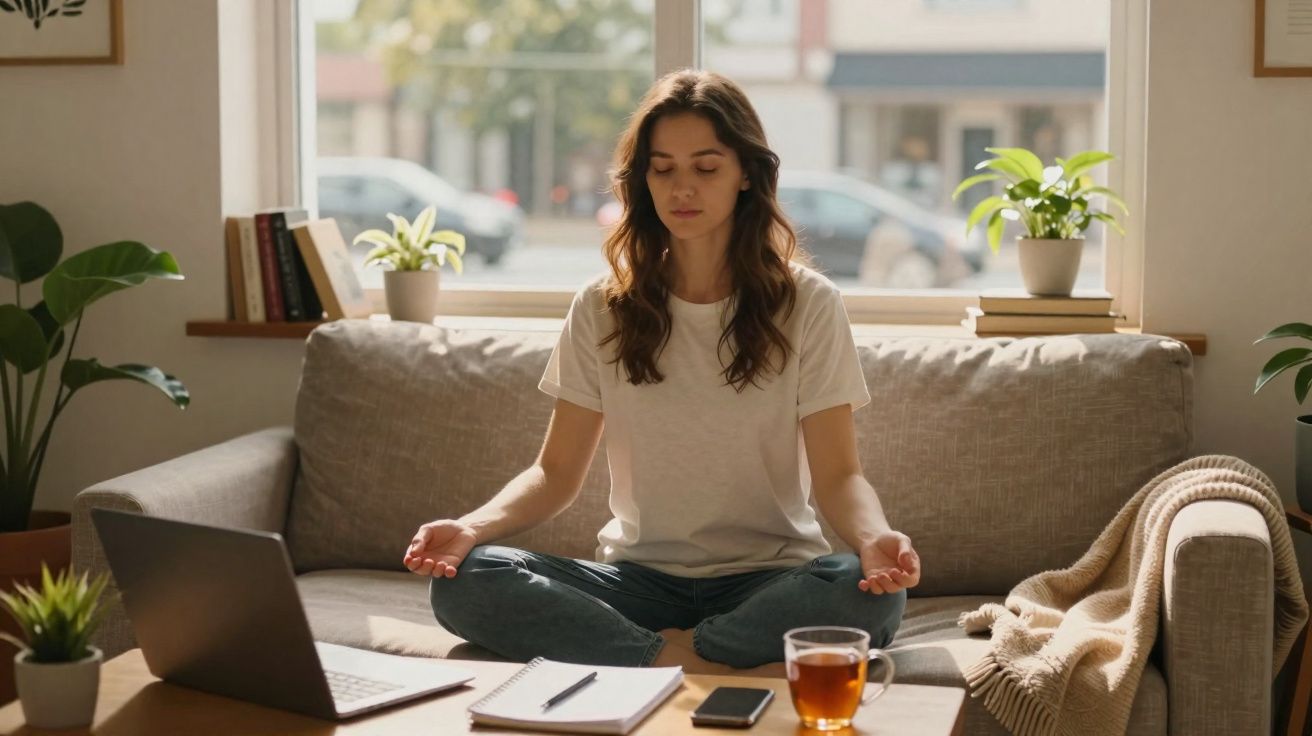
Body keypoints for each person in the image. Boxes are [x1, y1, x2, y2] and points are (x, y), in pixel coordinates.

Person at [403, 69, 921, 674]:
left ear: (746, 174)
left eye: (706, 167)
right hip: (636, 585)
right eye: (662, 167)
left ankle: (657, 660)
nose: (683, 188)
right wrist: (469, 527)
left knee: (860, 589)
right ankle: (689, 659)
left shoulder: (808, 304)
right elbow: (555, 473)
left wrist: (873, 539)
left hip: (769, 582)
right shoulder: (602, 306)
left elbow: (839, 477)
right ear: (641, 178)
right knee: (468, 580)